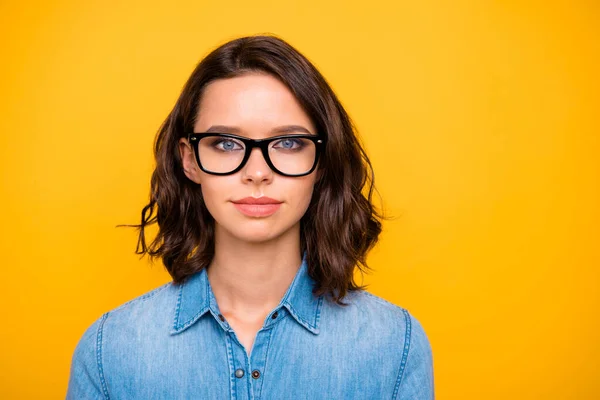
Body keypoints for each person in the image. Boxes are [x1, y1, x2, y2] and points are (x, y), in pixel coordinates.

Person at [66, 34, 434, 399]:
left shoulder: (395, 345)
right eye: (226, 143)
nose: (257, 172)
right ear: (189, 159)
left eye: (288, 143)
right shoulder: (109, 350)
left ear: (322, 160)